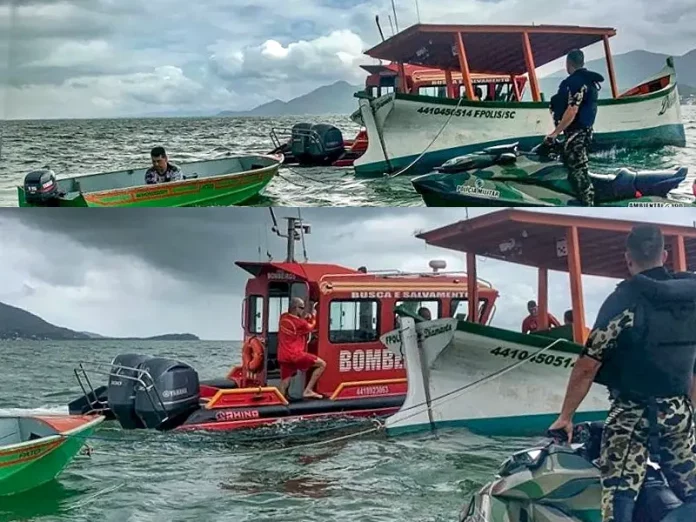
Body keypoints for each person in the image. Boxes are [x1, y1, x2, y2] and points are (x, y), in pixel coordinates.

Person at [548, 224, 696, 522]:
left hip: (632, 413)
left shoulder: (624, 300)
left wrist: (566, 417)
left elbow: (588, 364)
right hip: (679, 411)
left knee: (619, 496)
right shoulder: (690, 297)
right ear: (665, 255)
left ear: (628, 258)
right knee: (691, 488)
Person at [546, 49, 605, 207]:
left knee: (578, 171)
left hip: (576, 134)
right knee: (570, 165)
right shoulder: (590, 82)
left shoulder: (575, 83)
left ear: (568, 63)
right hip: (584, 133)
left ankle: (589, 206)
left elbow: (572, 110)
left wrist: (554, 133)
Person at [277, 297, 326, 399]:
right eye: (302, 308)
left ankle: (279, 401)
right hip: (295, 355)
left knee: (285, 380)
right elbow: (311, 326)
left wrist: (305, 317)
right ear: (295, 308)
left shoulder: (283, 317)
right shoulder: (301, 324)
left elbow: (298, 325)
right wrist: (313, 314)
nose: (303, 310)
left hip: (283, 356)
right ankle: (308, 390)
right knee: (322, 364)